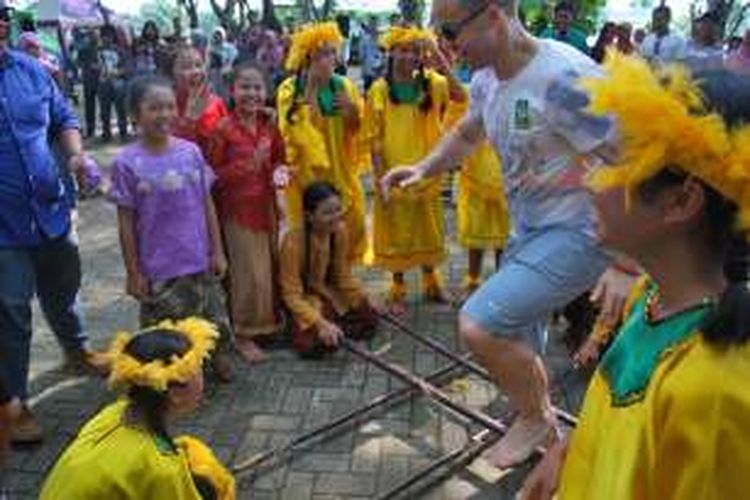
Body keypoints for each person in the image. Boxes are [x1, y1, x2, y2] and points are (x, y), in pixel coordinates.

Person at [382, 0, 638, 468]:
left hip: (581, 233)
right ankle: (548, 439)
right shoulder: (486, 78)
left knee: (480, 323)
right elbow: (466, 133)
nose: (444, 47)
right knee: (521, 340)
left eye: (451, 33)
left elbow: (633, 158)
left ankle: (535, 416)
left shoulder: (565, 81)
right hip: (529, 231)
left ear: (494, 16)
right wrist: (424, 167)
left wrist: (627, 260)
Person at [519, 57, 750, 500]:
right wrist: (567, 455)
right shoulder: (652, 297)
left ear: (681, 200)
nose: (588, 181)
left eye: (610, 161)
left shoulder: (714, 393)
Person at [0, 5, 110, 445]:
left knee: (65, 289)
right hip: (3, 227)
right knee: (11, 311)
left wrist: (78, 156)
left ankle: (76, 351)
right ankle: (16, 403)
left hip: (51, 208)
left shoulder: (31, 70)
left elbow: (64, 118)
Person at [109, 75, 234, 382]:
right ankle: (175, 373)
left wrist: (217, 250)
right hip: (159, 266)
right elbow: (125, 221)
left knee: (213, 318)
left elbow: (207, 203)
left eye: (168, 106)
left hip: (199, 258)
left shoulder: (190, 152)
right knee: (167, 330)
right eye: (154, 108)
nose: (164, 114)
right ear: (136, 115)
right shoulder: (126, 162)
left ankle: (216, 357)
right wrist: (133, 271)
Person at [40, 318, 236, 499]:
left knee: (190, 452)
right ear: (175, 394)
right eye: (198, 370)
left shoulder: (114, 412)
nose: (203, 379)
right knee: (208, 474)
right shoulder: (162, 468)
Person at [367, 26, 465, 311]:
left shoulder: (432, 84)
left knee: (429, 229)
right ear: (391, 53)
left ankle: (432, 283)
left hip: (427, 171)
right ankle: (397, 289)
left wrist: (436, 53)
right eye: (402, 50)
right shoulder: (380, 89)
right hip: (394, 173)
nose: (407, 56)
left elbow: (459, 94)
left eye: (413, 51)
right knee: (397, 232)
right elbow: (373, 139)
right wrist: (380, 178)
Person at [208, 62, 290, 364]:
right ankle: (242, 334)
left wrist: (281, 172)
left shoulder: (269, 125)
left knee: (268, 271)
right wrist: (246, 166)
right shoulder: (222, 130)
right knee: (247, 275)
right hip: (236, 211)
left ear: (265, 92)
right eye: (244, 87)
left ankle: (266, 326)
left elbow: (282, 159)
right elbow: (211, 175)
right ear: (232, 90)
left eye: (257, 87)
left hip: (267, 207)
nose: (251, 93)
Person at [277, 21, 369, 263]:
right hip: (308, 175)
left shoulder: (344, 85)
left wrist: (351, 110)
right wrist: (310, 90)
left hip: (340, 168)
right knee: (312, 237)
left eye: (330, 53)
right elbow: (293, 132)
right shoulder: (289, 89)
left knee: (352, 224)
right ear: (305, 59)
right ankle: (312, 286)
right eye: (320, 54)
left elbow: (357, 128)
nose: (327, 59)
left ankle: (341, 279)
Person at [279, 182, 379, 358]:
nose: (336, 217)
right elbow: (291, 295)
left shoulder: (340, 231)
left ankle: (334, 326)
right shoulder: (292, 242)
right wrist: (320, 323)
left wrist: (364, 296)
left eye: (338, 210)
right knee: (314, 344)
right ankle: (324, 327)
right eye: (327, 213)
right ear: (309, 216)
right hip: (304, 298)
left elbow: (342, 276)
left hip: (328, 292)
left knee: (369, 317)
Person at [172, 45, 229, 155]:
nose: (195, 71)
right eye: (186, 67)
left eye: (198, 65)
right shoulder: (166, 105)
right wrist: (188, 121)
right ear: (174, 73)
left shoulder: (217, 103)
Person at [97, 24, 129, 142]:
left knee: (121, 109)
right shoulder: (97, 51)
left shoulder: (120, 50)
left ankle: (123, 133)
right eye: (104, 36)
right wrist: (97, 68)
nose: (106, 38)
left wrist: (117, 72)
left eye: (109, 36)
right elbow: (92, 66)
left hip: (118, 84)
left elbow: (126, 67)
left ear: (113, 36)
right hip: (103, 83)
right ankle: (106, 134)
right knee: (104, 111)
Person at [359, 15, 383, 91]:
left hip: (379, 71)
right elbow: (361, 56)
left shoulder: (382, 40)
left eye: (375, 24)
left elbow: (384, 55)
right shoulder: (364, 40)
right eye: (372, 24)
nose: (373, 27)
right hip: (368, 71)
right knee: (368, 91)